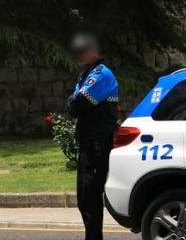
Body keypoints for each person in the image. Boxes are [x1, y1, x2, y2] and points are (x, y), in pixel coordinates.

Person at [65, 33, 119, 240]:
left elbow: (77, 105)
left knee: (91, 196)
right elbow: (73, 107)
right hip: (88, 143)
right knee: (85, 197)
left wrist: (73, 101)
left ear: (96, 51)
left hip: (98, 143)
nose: (80, 53)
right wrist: (73, 102)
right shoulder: (86, 75)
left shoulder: (101, 74)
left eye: (85, 49)